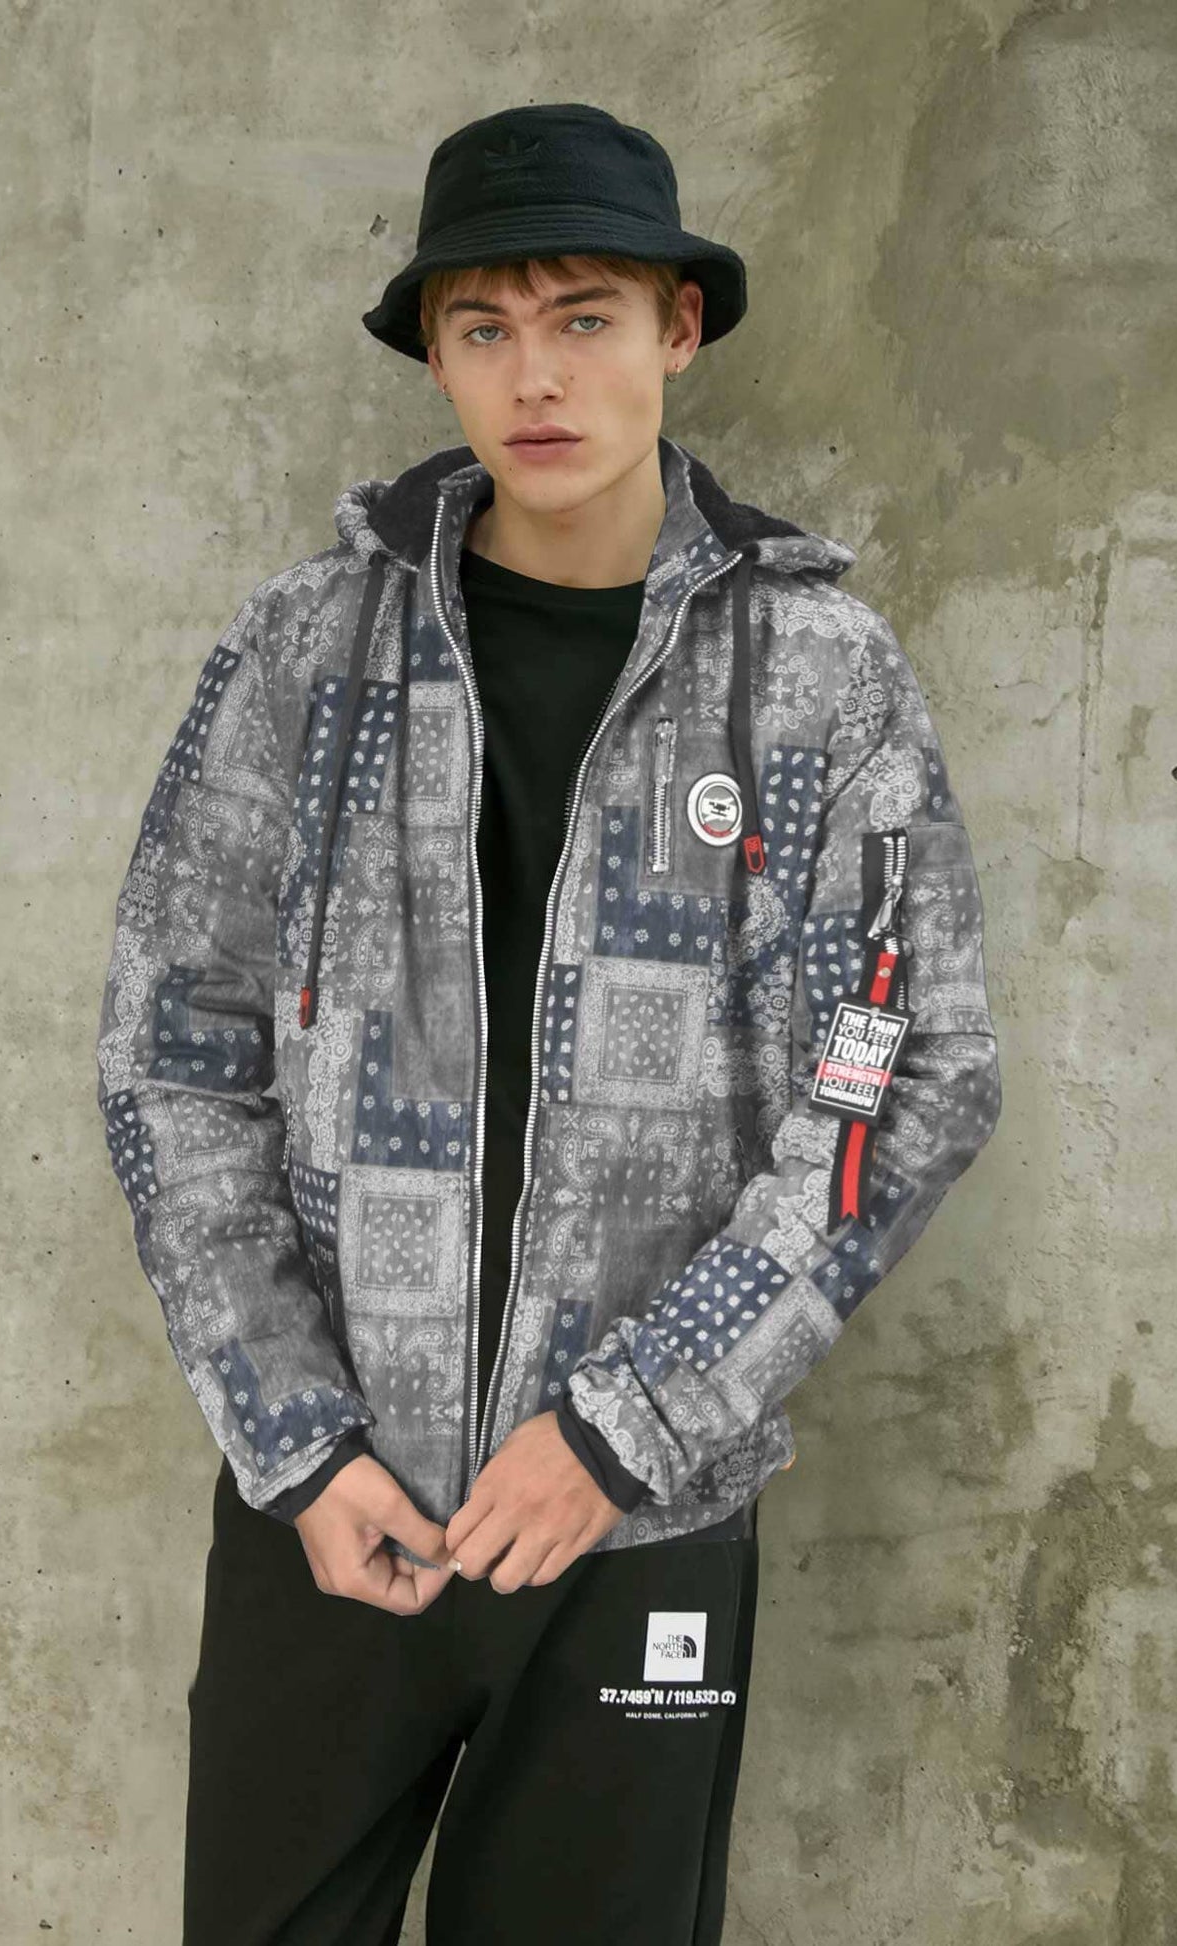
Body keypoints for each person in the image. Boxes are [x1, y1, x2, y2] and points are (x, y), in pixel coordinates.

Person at [94, 100, 1002, 1946]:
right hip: (332, 1515)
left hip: (631, 1524)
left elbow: (901, 1078)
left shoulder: (814, 674)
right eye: (484, 328)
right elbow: (175, 1057)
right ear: (434, 355)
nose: (535, 375)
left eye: (585, 318)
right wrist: (296, 1438)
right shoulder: (306, 649)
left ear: (678, 328)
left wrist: (622, 1427)